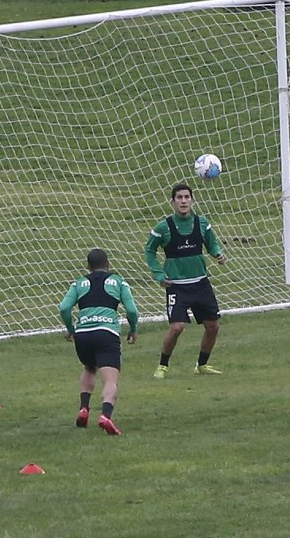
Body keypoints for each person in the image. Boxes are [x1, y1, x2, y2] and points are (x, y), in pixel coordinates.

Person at [145, 182, 227, 379]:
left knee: (213, 326)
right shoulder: (163, 227)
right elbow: (149, 251)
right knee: (177, 327)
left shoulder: (202, 223)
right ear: (172, 202)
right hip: (177, 286)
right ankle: (163, 366)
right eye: (179, 198)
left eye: (186, 197)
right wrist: (158, 273)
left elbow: (212, 244)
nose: (183, 201)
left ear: (192, 199)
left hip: (200, 284)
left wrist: (218, 254)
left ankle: (202, 364)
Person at [58, 248, 138, 436]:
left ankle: (84, 408)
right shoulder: (118, 281)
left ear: (88, 266)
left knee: (89, 367)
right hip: (106, 332)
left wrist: (71, 329)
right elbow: (132, 310)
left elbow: (63, 307)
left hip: (84, 334)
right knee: (110, 379)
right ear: (108, 264)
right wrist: (133, 329)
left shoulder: (78, 283)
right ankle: (106, 416)